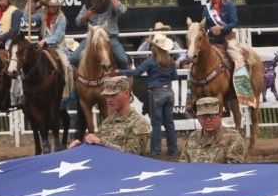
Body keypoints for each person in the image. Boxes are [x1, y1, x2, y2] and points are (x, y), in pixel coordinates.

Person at [133, 25, 184, 158]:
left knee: (156, 124)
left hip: (156, 93)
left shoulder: (151, 61)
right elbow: (175, 77)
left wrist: (121, 72)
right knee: (169, 123)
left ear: (154, 46)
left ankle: (156, 151)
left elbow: (137, 72)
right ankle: (173, 150)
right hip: (168, 92)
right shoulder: (170, 61)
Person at [74, 74, 150, 154]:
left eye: (113, 95)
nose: (109, 100)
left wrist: (101, 142)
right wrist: (79, 147)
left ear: (126, 93)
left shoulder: (139, 123)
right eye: (107, 96)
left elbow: (133, 155)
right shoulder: (107, 121)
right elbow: (96, 146)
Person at [73, 0, 131, 71]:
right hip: (92, 38)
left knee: (123, 60)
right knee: (73, 59)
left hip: (110, 37)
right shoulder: (89, 4)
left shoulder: (112, 4)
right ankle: (75, 82)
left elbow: (122, 11)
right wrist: (86, 15)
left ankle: (126, 80)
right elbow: (77, 22)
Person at [181, 96, 248, 163]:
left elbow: (233, 170)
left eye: (212, 116)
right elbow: (183, 166)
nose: (208, 120)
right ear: (198, 118)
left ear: (220, 116)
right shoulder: (193, 137)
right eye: (203, 116)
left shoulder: (233, 138)